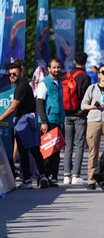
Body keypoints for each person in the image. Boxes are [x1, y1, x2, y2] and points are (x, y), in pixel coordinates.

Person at [0, 61, 49, 189]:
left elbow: (13, 107)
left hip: (24, 121)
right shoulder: (22, 85)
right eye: (10, 74)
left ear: (21, 72)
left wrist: (0, 118)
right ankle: (43, 176)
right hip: (29, 120)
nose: (11, 76)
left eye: (14, 74)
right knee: (34, 150)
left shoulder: (21, 86)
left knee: (24, 151)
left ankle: (27, 180)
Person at [35, 58, 65, 187]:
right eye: (54, 67)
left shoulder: (60, 82)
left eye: (58, 67)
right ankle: (44, 177)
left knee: (56, 151)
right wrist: (43, 121)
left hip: (58, 120)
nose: (56, 70)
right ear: (48, 69)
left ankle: (53, 176)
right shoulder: (44, 83)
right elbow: (40, 102)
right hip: (48, 121)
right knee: (47, 151)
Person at [63, 51, 91, 185]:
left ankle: (66, 175)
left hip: (66, 114)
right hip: (80, 114)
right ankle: (76, 175)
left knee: (67, 145)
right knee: (79, 145)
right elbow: (85, 96)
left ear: (74, 61)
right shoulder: (85, 77)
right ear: (85, 62)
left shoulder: (66, 75)